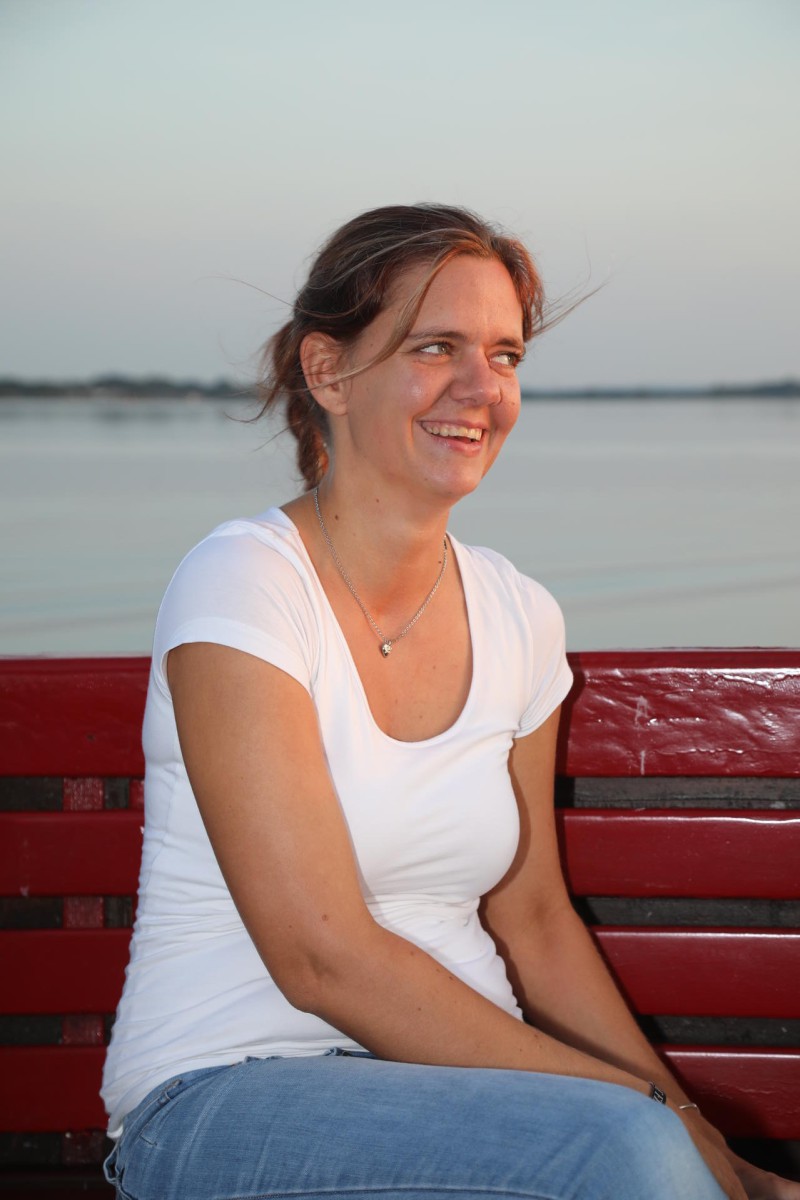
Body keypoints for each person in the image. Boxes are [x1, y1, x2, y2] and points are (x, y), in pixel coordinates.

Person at [101, 204, 798, 1200]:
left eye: (504, 355)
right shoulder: (245, 585)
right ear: (328, 371)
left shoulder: (518, 613)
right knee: (624, 1154)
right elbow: (321, 959)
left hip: (484, 1104)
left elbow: (535, 921)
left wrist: (704, 1144)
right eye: (436, 347)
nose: (482, 389)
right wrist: (642, 1117)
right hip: (227, 1093)